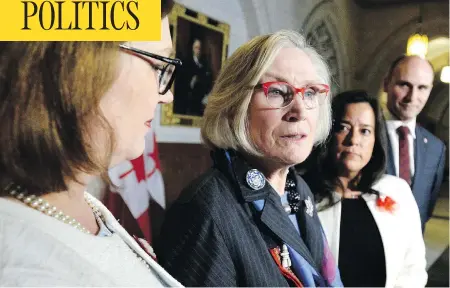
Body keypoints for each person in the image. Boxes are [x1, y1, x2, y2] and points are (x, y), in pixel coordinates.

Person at [0, 0, 184, 286]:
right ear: (78, 69)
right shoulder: (23, 271)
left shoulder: (75, 200)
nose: (166, 96)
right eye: (159, 65)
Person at [155, 30, 342, 287]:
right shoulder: (206, 211)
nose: (299, 110)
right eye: (277, 91)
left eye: (310, 93)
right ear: (235, 106)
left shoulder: (299, 189)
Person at [304, 90, 427, 287]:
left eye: (365, 131)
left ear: (375, 140)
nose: (353, 140)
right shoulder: (305, 195)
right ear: (328, 133)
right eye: (344, 127)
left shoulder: (397, 191)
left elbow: (413, 266)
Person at [383, 55, 446, 231]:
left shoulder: (436, 148)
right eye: (404, 85)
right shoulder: (362, 135)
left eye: (422, 88)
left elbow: (426, 209)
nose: (412, 97)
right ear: (386, 84)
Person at [174, 38, 212, 116]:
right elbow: (182, 84)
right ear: (192, 48)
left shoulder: (204, 65)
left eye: (200, 48)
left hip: (199, 101)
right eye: (196, 48)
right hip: (188, 100)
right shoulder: (186, 63)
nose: (198, 50)